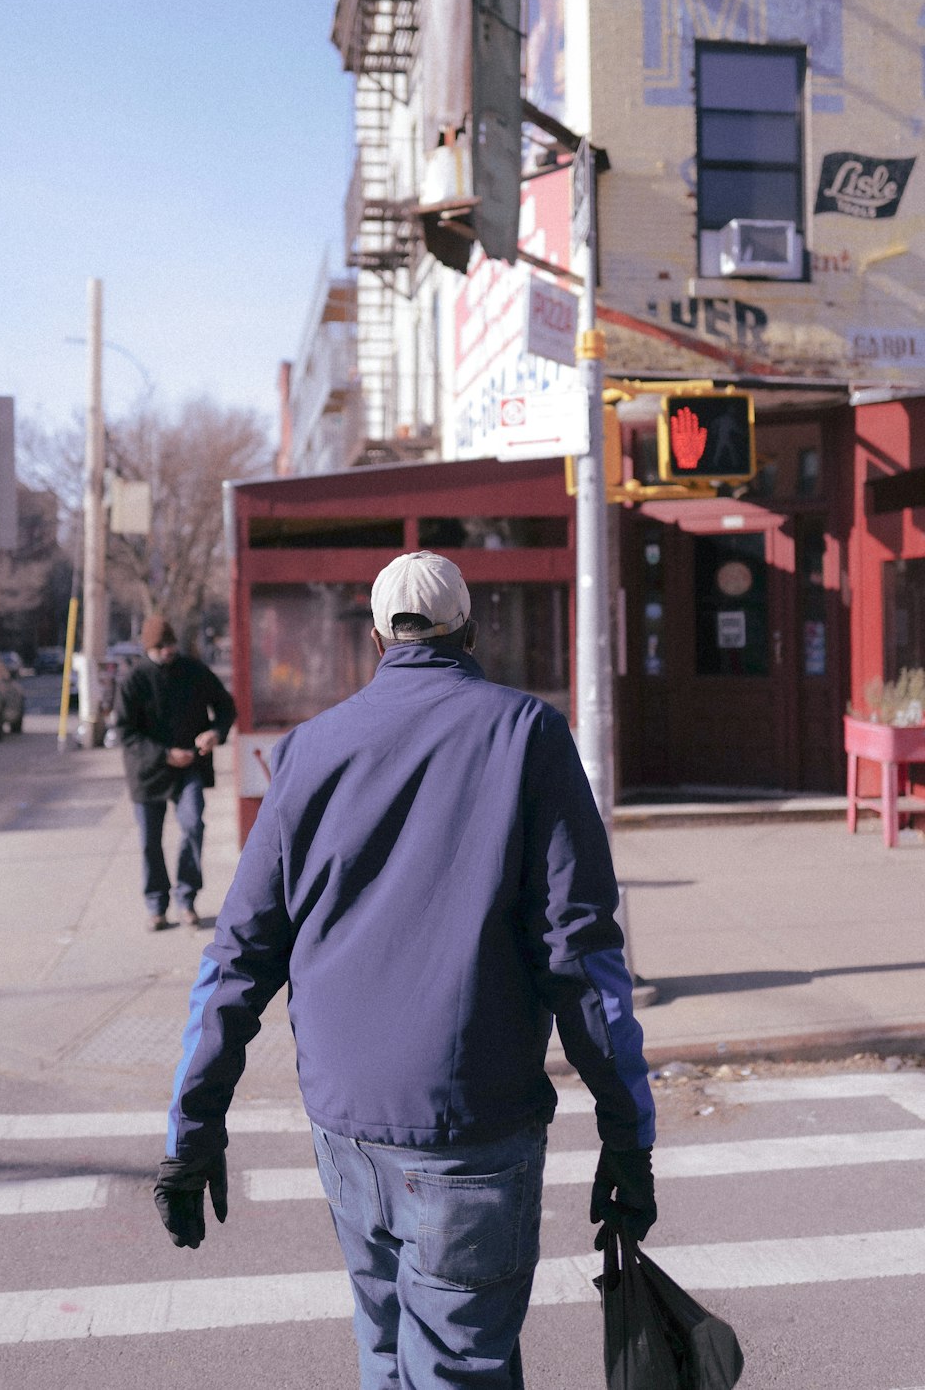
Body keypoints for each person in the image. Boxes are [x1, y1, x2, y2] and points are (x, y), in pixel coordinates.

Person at [154, 553, 656, 1388]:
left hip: (346, 1120)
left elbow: (236, 957)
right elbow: (584, 956)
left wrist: (190, 1132)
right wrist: (627, 1132)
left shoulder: (308, 751)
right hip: (469, 1126)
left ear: (379, 639)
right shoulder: (526, 733)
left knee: (386, 1347)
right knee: (458, 1361)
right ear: (471, 631)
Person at [116, 615, 236, 931]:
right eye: (160, 647)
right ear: (148, 649)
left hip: (189, 768)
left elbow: (225, 706)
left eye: (170, 645)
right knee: (149, 841)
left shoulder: (193, 671)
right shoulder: (134, 680)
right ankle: (157, 905)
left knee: (193, 825)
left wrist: (215, 733)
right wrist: (165, 754)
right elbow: (126, 733)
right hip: (148, 771)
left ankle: (187, 898)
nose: (168, 651)